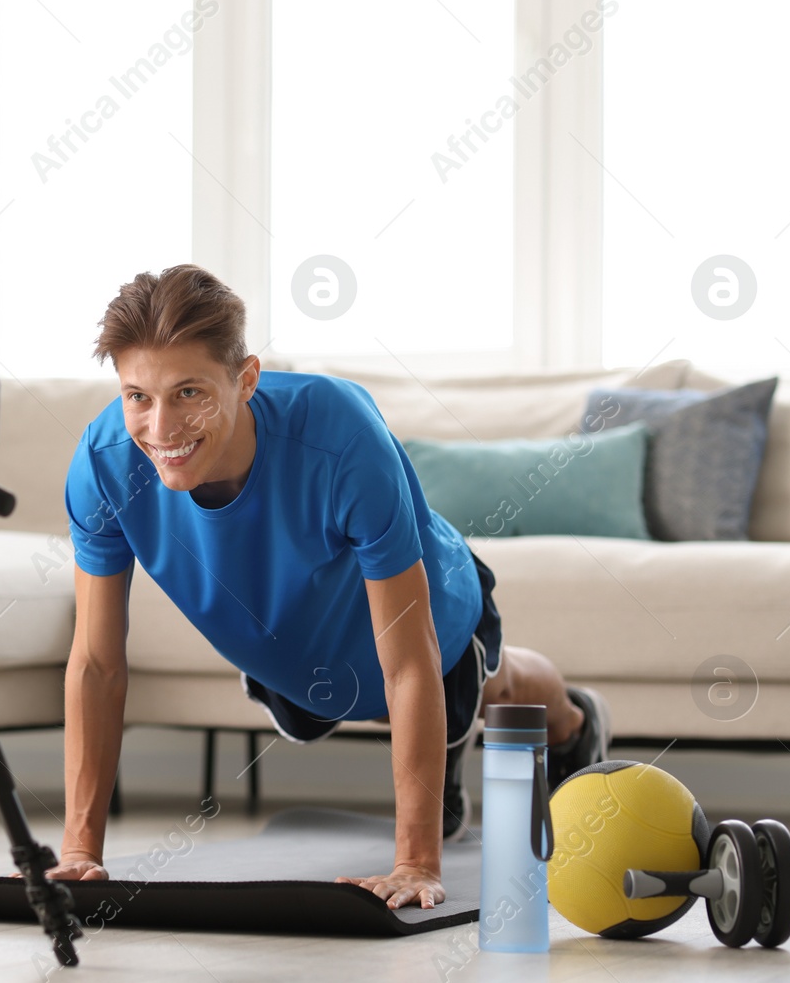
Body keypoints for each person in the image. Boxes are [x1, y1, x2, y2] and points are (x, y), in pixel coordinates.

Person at [47, 265, 611, 910]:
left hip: (431, 624)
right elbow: (95, 663)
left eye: (189, 393)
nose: (161, 428)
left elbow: (407, 665)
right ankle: (442, 760)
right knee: (373, 706)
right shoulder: (102, 462)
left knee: (491, 681)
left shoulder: (340, 435)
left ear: (247, 379)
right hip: (299, 652)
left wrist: (414, 862)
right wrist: (79, 855)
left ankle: (573, 720)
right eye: (137, 396)